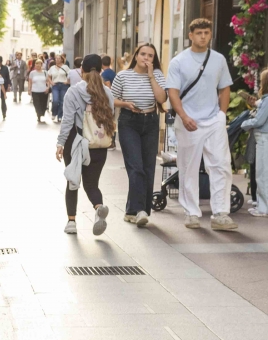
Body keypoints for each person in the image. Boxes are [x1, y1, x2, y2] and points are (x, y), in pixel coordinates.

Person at [167, 18, 238, 231]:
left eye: (207, 32)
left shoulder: (218, 59)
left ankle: (220, 214)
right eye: (199, 33)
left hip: (213, 119)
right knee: (188, 167)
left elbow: (225, 88)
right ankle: (191, 213)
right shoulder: (178, 61)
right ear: (191, 35)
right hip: (188, 121)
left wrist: (222, 115)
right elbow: (173, 92)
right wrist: (183, 116)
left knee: (221, 165)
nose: (203, 36)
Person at [56, 54, 116, 236]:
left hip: (76, 143)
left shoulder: (74, 92)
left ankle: (72, 222)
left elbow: (67, 121)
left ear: (81, 70)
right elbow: (111, 117)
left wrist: (60, 143)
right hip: (98, 145)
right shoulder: (107, 93)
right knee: (92, 184)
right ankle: (98, 208)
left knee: (73, 181)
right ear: (101, 70)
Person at [111, 43, 168, 226]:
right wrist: (126, 104)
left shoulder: (157, 75)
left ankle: (132, 211)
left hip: (150, 122)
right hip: (129, 122)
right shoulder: (123, 75)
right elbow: (112, 99)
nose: (146, 58)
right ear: (136, 56)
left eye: (150, 56)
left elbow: (162, 99)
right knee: (136, 167)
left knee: (148, 167)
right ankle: (140, 210)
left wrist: (151, 76)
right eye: (143, 54)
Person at [242, 68, 268, 216]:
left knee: (262, 174)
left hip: (264, 138)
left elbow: (259, 120)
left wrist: (244, 124)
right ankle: (261, 203)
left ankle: (263, 209)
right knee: (263, 173)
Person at [48, 55, 70, 122]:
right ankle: (54, 113)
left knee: (62, 101)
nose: (57, 60)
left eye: (59, 58)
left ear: (62, 59)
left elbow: (69, 75)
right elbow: (48, 76)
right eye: (56, 58)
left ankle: (60, 116)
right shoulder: (52, 68)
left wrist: (67, 82)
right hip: (55, 85)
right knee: (55, 100)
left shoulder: (65, 67)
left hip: (63, 85)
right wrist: (51, 82)